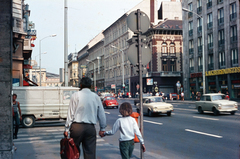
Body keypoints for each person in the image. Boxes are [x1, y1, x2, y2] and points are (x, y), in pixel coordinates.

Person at [64, 77, 107, 159]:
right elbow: (101, 113)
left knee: (73, 152)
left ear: (80, 85)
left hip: (76, 127)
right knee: (90, 152)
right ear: (91, 85)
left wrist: (66, 128)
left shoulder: (75, 95)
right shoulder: (95, 97)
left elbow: (70, 113)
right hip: (90, 128)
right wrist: (102, 128)